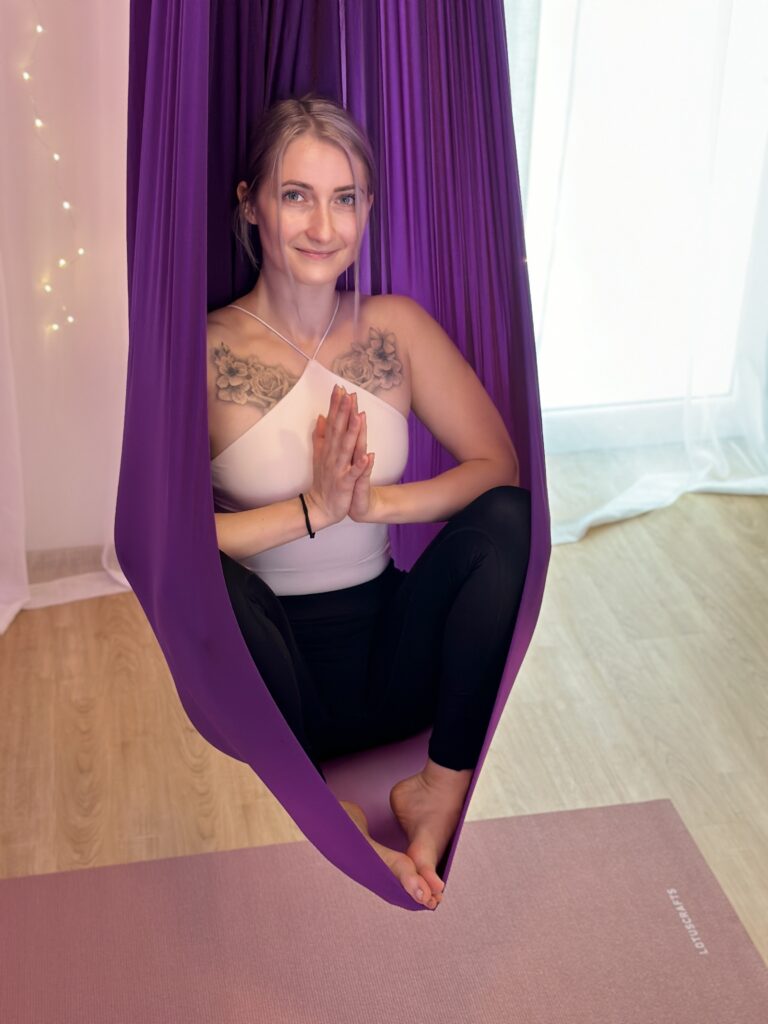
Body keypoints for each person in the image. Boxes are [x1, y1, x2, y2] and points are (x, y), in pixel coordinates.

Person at [207, 93, 531, 911]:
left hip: (397, 659)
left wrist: (374, 505)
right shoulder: (203, 351)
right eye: (296, 195)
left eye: (344, 198)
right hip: (277, 683)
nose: (324, 225)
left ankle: (439, 790)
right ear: (249, 204)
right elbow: (171, 548)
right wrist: (312, 508)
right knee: (218, 586)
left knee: (507, 525)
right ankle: (325, 803)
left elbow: (498, 466)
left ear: (368, 209)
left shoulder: (395, 326)